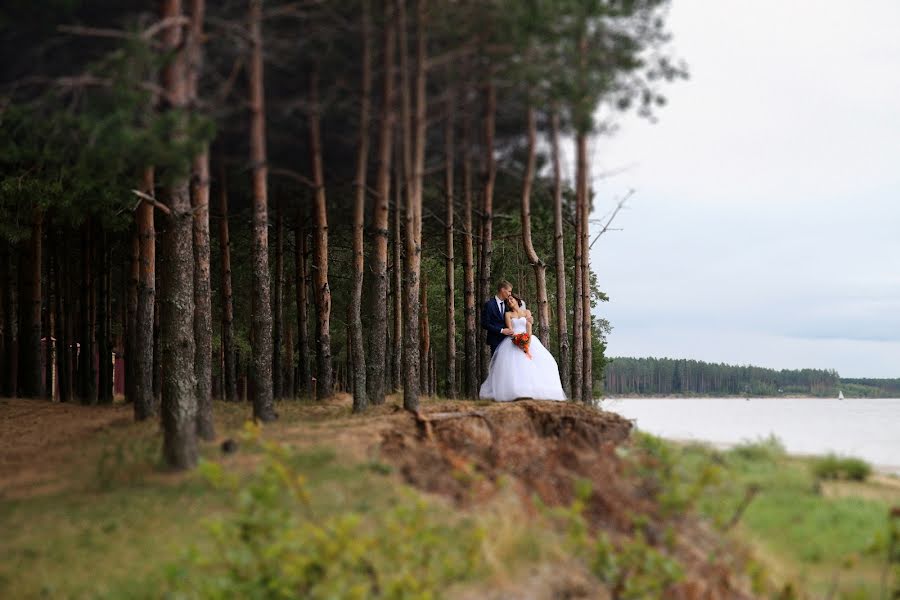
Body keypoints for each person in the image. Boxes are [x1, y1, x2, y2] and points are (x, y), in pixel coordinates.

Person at [479, 293, 567, 402]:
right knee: (514, 367)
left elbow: (529, 326)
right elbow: (510, 330)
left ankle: (533, 391)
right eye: (508, 301)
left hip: (528, 339)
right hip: (514, 341)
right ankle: (516, 392)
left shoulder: (527, 312)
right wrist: (517, 340)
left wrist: (527, 341)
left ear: (517, 300)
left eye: (511, 299)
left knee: (543, 363)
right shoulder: (508, 314)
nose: (509, 301)